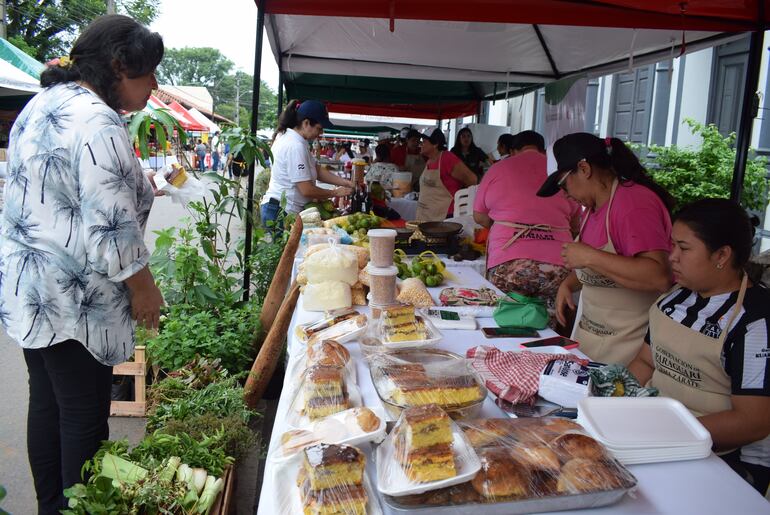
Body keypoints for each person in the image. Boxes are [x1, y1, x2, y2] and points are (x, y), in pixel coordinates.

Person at [0, 15, 165, 513]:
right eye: (148, 73)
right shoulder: (97, 121)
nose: (154, 85)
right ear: (118, 65)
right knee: (82, 415)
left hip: (33, 287)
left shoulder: (44, 102)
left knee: (47, 404)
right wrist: (144, 289)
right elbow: (111, 229)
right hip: (77, 298)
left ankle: (53, 506)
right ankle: (78, 509)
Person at [627, 199, 770, 493]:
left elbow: (753, 421)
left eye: (684, 248)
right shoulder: (675, 299)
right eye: (673, 246)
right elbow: (645, 363)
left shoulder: (756, 322)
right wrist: (615, 404)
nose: (672, 257)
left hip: (723, 460)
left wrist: (668, 434)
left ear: (721, 255)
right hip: (655, 437)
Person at [537, 132, 675, 366]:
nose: (565, 194)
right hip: (592, 345)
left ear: (584, 168)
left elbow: (659, 276)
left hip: (628, 354)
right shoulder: (592, 209)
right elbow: (605, 267)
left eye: (563, 184)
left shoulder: (633, 203)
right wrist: (569, 283)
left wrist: (589, 256)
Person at [474, 131, 580, 328]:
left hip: (508, 265)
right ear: (542, 149)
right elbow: (576, 225)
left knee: (506, 321)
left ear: (513, 151)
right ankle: (552, 352)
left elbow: (479, 216)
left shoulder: (498, 168)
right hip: (559, 268)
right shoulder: (561, 172)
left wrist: (503, 224)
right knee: (551, 326)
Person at [261, 99, 353, 226]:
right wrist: (335, 192)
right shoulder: (294, 145)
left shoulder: (295, 140)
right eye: (319, 129)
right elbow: (307, 190)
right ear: (306, 123)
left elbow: (317, 170)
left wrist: (345, 182)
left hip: (281, 209)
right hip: (282, 213)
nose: (321, 133)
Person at [415, 127, 477, 221]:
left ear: (435, 144)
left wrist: (463, 201)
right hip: (426, 215)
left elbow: (472, 179)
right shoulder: (429, 160)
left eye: (424, 141)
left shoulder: (447, 158)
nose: (420, 144)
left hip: (444, 217)